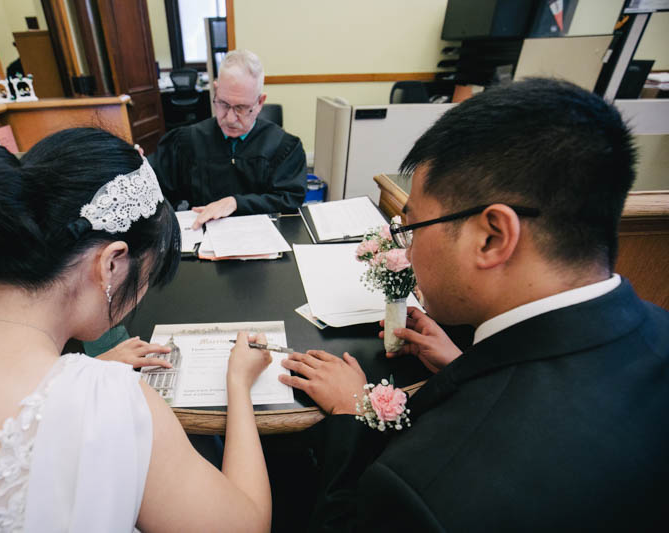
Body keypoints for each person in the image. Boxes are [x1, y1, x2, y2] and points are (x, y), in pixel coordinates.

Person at [277, 78, 669, 531]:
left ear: (491, 237)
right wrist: (462, 365)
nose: (408, 251)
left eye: (412, 228)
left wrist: (352, 413)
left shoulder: (425, 487)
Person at [0, 128, 272, 532]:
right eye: (147, 277)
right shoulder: (109, 403)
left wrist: (85, 368)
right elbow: (247, 525)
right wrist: (239, 384)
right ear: (112, 263)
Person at [150, 49, 307, 230]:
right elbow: (156, 187)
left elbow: (289, 200)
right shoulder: (187, 141)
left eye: (241, 108)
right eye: (223, 104)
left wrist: (236, 203)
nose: (230, 119)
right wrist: (135, 167)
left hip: (260, 235)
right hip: (200, 234)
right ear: (216, 90)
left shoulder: (284, 147)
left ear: (260, 102)